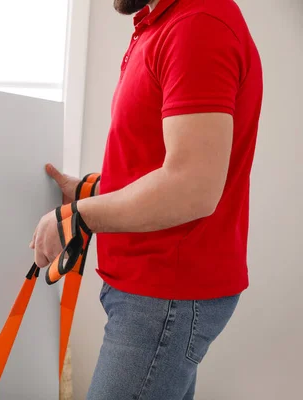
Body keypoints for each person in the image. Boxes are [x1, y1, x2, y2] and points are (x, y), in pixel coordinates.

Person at [31, 0, 263, 399]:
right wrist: (90, 190)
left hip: (165, 297)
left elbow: (191, 185)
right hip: (154, 295)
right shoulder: (163, 23)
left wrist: (78, 216)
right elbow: (156, 166)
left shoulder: (198, 24)